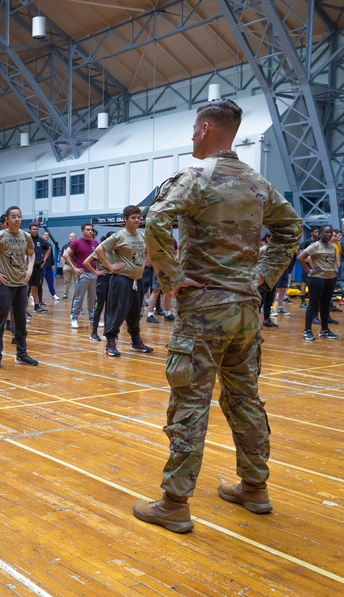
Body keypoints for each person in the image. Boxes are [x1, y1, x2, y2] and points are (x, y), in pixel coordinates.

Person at [132, 99, 301, 533]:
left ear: (206, 128)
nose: (191, 136)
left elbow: (155, 221)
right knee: (244, 398)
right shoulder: (258, 183)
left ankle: (174, 502)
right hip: (246, 310)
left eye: (193, 128)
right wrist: (263, 277)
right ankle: (254, 487)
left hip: (205, 310)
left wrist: (170, 277)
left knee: (190, 399)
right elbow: (291, 228)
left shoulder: (194, 178)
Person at [0, 206, 38, 368]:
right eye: (13, 217)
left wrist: (30, 268)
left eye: (19, 216)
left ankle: (21, 354)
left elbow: (31, 253)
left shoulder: (26, 236)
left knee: (20, 322)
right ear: (6, 220)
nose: (17, 219)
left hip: (21, 284)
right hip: (5, 284)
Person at [96, 205, 153, 357]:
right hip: (121, 280)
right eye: (133, 218)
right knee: (116, 312)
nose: (136, 220)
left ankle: (136, 342)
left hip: (137, 280)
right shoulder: (119, 236)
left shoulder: (141, 236)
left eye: (138, 217)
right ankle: (110, 343)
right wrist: (110, 266)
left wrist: (144, 263)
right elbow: (99, 250)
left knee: (135, 313)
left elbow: (148, 250)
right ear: (125, 219)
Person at [297, 224, 340, 340]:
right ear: (321, 233)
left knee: (326, 305)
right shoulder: (315, 246)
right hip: (317, 279)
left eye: (331, 233)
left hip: (329, 279)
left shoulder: (331, 246)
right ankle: (307, 331)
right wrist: (308, 270)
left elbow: (334, 261)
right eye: (326, 232)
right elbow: (300, 257)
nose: (329, 234)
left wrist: (334, 273)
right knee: (313, 305)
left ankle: (325, 330)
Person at [64, 224, 98, 328]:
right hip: (83, 274)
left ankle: (92, 318)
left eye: (91, 230)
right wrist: (74, 268)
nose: (90, 232)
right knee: (79, 298)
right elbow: (66, 255)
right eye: (87, 230)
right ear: (82, 231)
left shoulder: (95, 242)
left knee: (92, 298)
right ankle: (74, 318)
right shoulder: (77, 242)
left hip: (94, 274)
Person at [29, 224, 50, 312]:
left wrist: (44, 261)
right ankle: (23, 310)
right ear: (29, 230)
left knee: (36, 287)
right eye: (33, 229)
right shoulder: (26, 239)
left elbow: (48, 249)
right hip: (28, 267)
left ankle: (36, 306)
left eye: (36, 229)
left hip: (38, 267)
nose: (35, 231)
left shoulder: (41, 240)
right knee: (26, 288)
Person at [41, 230, 58, 300]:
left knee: (51, 282)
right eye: (45, 235)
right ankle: (34, 296)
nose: (47, 236)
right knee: (39, 283)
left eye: (47, 235)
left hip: (49, 267)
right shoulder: (40, 244)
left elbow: (51, 255)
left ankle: (53, 294)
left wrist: (53, 264)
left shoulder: (49, 245)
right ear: (42, 236)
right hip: (42, 267)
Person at [60, 232, 76, 299]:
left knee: (77, 281)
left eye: (73, 236)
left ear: (75, 237)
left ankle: (77, 294)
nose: (72, 237)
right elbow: (62, 256)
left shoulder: (78, 245)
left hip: (76, 266)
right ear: (69, 237)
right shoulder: (65, 246)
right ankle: (65, 294)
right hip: (67, 266)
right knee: (66, 281)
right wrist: (64, 266)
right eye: (71, 236)